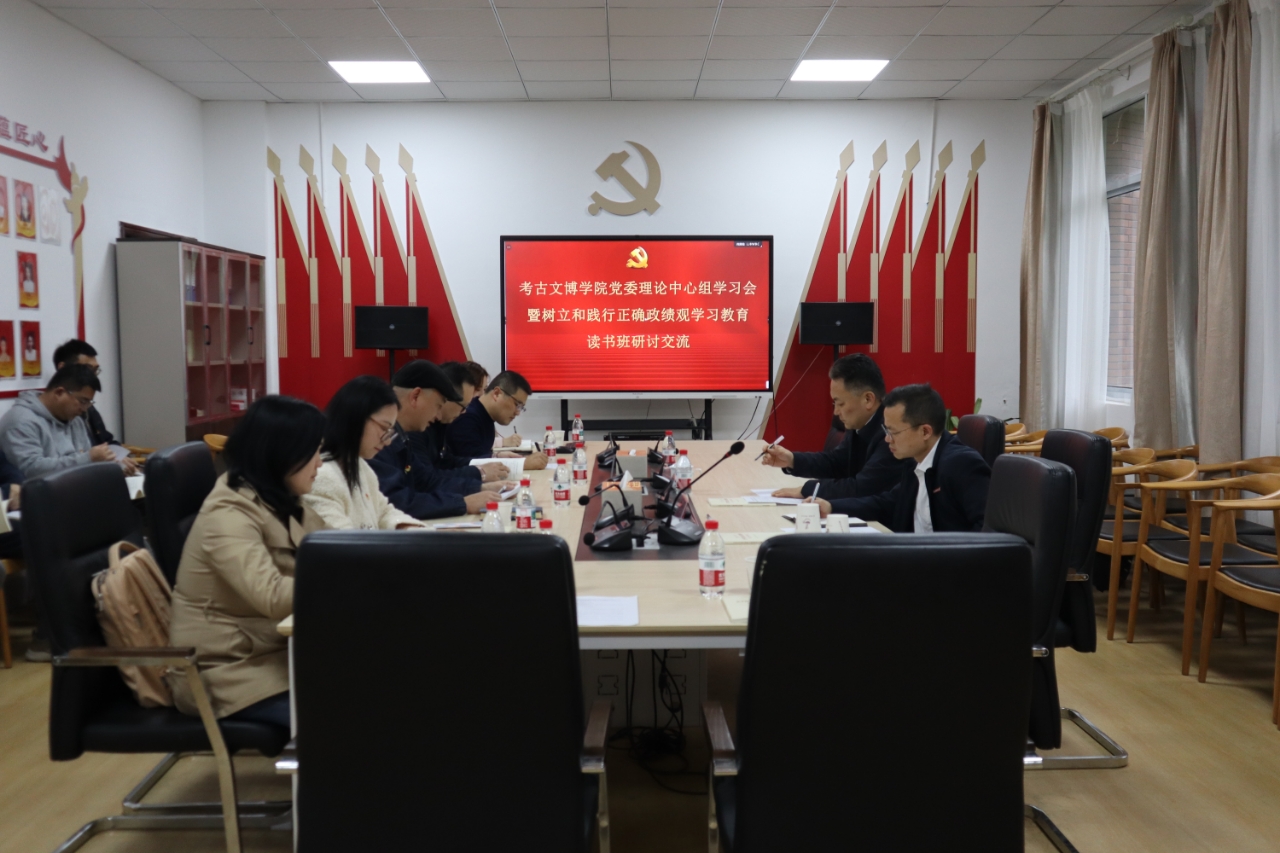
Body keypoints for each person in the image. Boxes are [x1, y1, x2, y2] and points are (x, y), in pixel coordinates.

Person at [167, 396, 327, 728]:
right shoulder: (228, 511)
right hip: (229, 674)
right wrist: (346, 584)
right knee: (355, 714)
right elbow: (270, 594)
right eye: (313, 453)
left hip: (276, 656)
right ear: (283, 453)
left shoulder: (279, 498)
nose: (320, 464)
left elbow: (331, 548)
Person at [815, 383, 990, 533]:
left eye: (894, 432)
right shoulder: (915, 461)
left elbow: (986, 534)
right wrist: (832, 507)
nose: (887, 439)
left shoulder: (962, 464)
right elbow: (887, 503)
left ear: (925, 431)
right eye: (886, 431)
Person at [369, 360, 506, 519]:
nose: (438, 415)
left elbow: (424, 481)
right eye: (438, 405)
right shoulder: (378, 438)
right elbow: (396, 501)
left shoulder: (400, 435)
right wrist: (463, 503)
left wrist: (476, 488)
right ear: (415, 396)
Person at [762, 353, 907, 501]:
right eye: (834, 403)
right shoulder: (860, 422)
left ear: (868, 399)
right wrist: (792, 460)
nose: (836, 412)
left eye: (841, 404)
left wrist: (808, 489)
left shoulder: (892, 434)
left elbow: (862, 488)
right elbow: (836, 463)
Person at [303, 376, 426, 530]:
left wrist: (415, 531)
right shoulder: (320, 476)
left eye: (390, 431)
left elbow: (384, 512)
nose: (388, 441)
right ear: (356, 418)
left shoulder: (360, 465)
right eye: (384, 428)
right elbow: (342, 541)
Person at [0, 363, 121, 479]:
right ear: (59, 392)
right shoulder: (19, 422)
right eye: (83, 401)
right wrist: (88, 459)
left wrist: (110, 464)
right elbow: (31, 470)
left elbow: (86, 462)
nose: (84, 409)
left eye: (89, 403)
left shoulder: (75, 420)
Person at [410, 361, 510, 484]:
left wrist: (489, 463)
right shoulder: (414, 428)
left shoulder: (439, 425)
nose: (464, 412)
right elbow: (427, 480)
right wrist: (479, 475)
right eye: (464, 406)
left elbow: (445, 461)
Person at [446, 369, 548, 468]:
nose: (518, 412)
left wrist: (497, 456)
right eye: (517, 404)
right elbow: (473, 465)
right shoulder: (467, 419)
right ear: (496, 393)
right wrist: (521, 464)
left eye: (521, 407)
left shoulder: (485, 416)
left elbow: (480, 458)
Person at [52, 339, 130, 461]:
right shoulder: (57, 412)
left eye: (95, 370)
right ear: (63, 368)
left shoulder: (88, 408)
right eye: (87, 369)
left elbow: (106, 440)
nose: (92, 376)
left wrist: (119, 457)